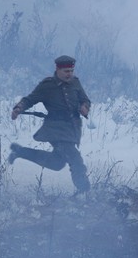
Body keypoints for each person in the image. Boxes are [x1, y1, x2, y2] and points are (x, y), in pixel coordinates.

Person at [8, 55, 91, 193]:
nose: (69, 74)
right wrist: (18, 108)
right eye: (66, 71)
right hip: (55, 129)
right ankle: (85, 192)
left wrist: (84, 107)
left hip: (72, 129)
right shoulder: (48, 86)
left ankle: (20, 151)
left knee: (57, 163)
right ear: (57, 70)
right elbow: (30, 99)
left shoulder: (75, 83)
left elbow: (85, 99)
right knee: (75, 160)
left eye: (71, 71)